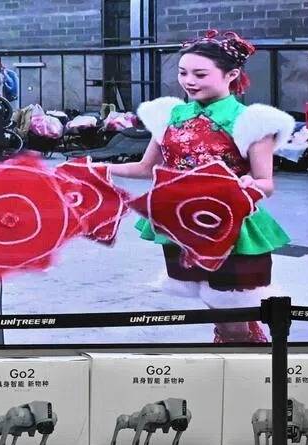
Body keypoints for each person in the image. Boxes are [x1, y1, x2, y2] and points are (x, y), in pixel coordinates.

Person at [106, 30, 296, 343]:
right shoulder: (170, 116)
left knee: (232, 305)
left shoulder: (251, 121)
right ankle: (235, 348)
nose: (189, 81)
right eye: (183, 73)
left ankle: (248, 353)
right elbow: (145, 168)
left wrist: (251, 184)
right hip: (182, 222)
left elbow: (266, 183)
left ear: (231, 74)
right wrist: (97, 168)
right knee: (214, 306)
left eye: (200, 74)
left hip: (231, 227)